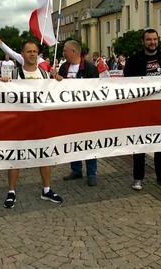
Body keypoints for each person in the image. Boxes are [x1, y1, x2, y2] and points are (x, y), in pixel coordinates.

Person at [0, 40, 63, 208]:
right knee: (16, 157)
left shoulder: (44, 73)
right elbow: (2, 96)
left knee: (45, 155)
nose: (32, 54)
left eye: (35, 51)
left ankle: (47, 189)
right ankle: (11, 191)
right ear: (22, 54)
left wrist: (58, 80)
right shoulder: (14, 74)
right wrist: (2, 83)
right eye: (29, 51)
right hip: (19, 122)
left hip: (40, 122)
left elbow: (54, 94)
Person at [123, 28, 161, 191]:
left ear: (158, 40)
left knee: (160, 144)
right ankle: (138, 178)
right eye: (149, 39)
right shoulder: (133, 60)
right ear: (143, 41)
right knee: (139, 144)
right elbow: (126, 84)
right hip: (140, 109)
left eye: (154, 39)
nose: (152, 42)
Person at [54, 40, 99, 186]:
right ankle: (76, 170)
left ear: (74, 51)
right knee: (73, 142)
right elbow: (57, 90)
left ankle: (92, 173)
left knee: (89, 142)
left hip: (87, 114)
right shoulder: (63, 68)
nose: (63, 53)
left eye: (65, 50)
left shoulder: (90, 68)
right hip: (70, 113)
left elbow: (95, 91)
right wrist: (56, 80)